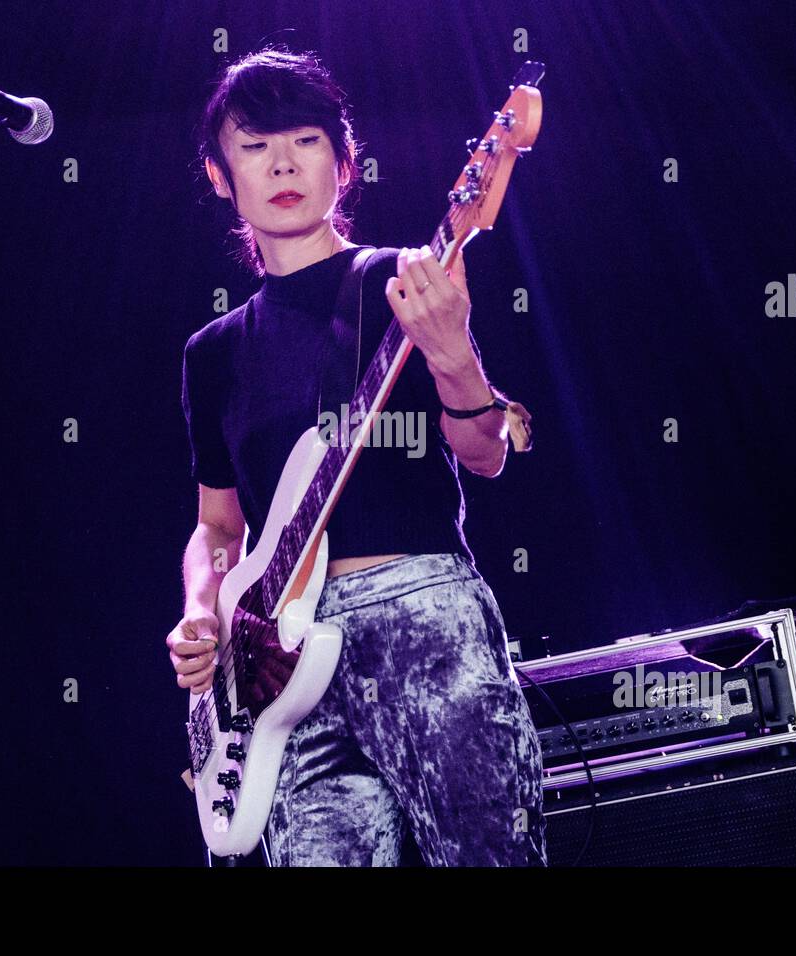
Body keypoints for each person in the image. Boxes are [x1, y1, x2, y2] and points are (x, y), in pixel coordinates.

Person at [167, 47, 546, 866]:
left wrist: (454, 357)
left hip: (422, 618)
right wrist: (202, 608)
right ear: (219, 176)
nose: (281, 163)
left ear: (344, 164)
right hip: (274, 670)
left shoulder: (406, 282)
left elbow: (484, 456)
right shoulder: (212, 353)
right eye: (254, 146)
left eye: (304, 140)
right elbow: (216, 525)